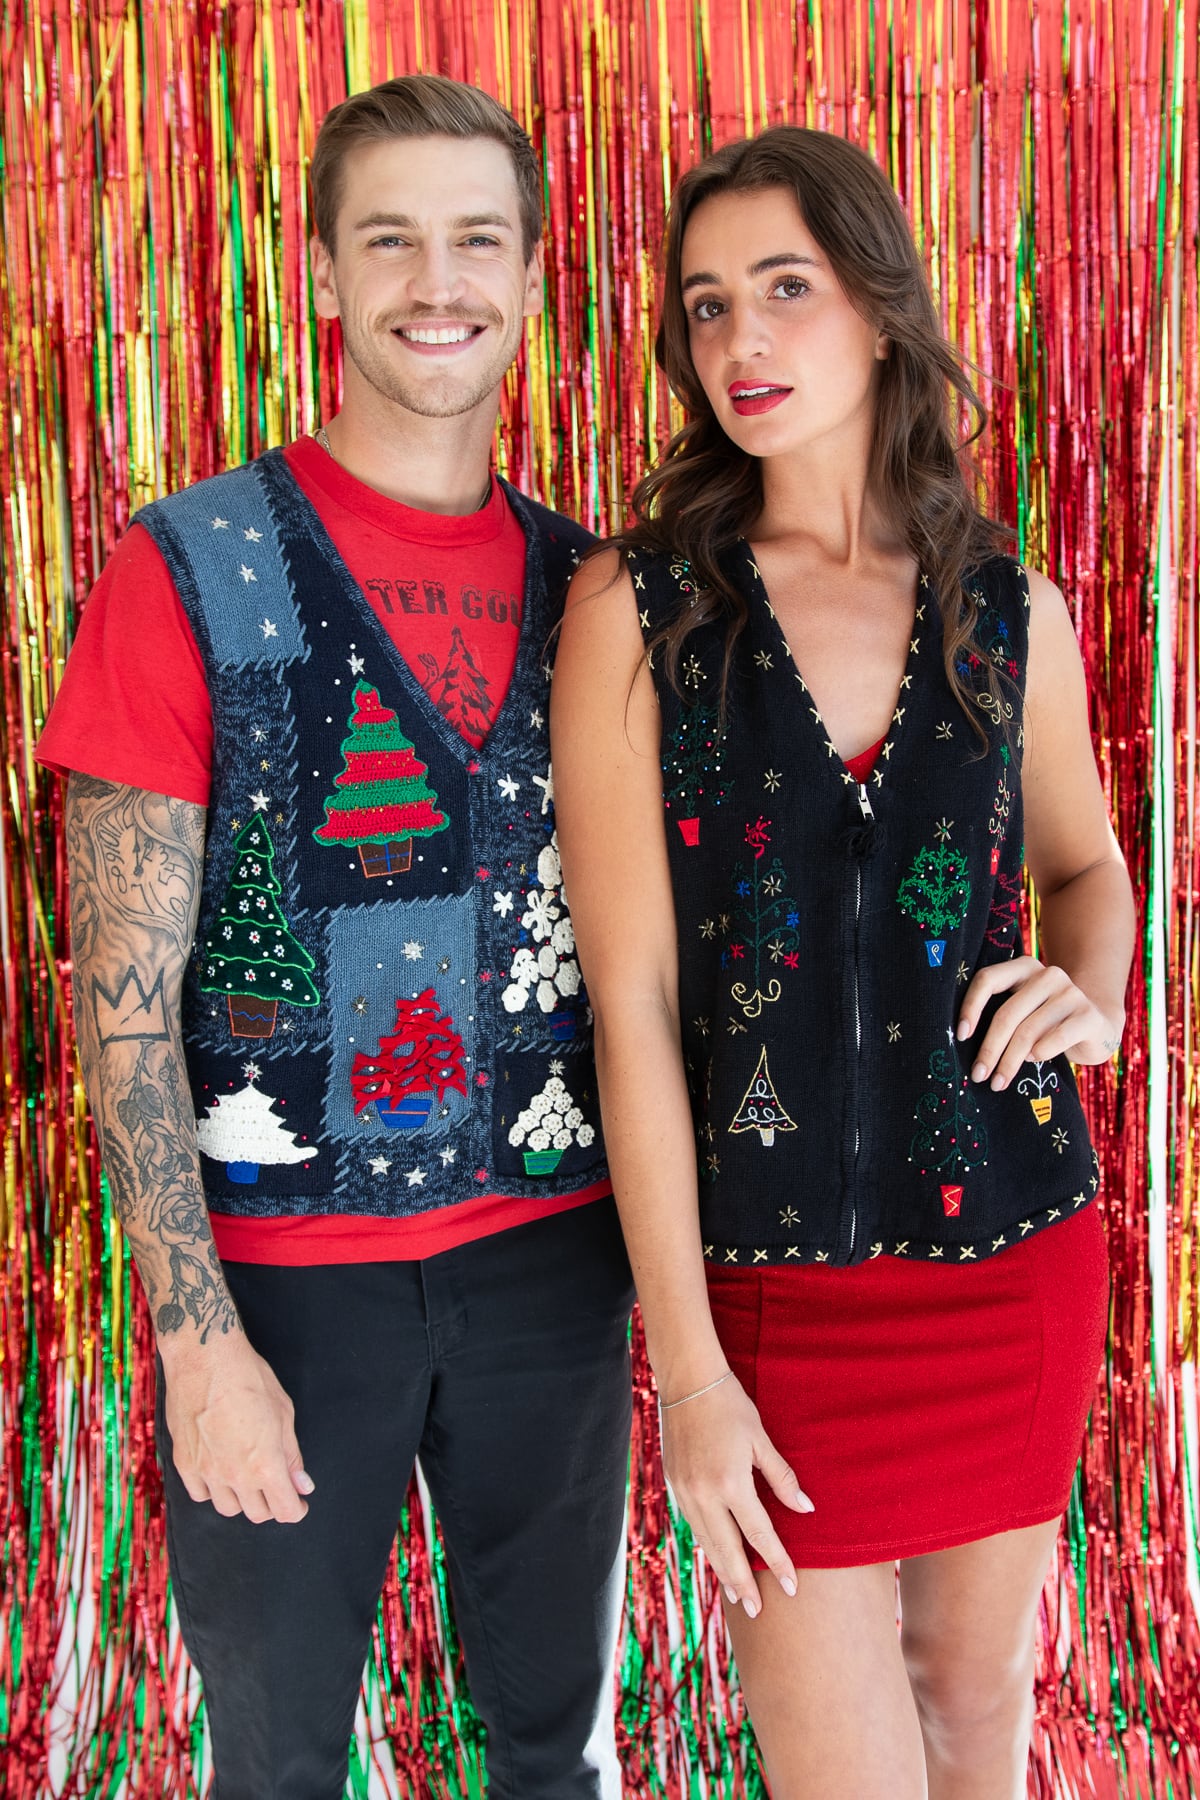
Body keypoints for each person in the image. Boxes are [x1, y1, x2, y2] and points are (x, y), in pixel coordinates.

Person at [38, 74, 633, 1800]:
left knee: (553, 1751)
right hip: (284, 1302)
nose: (433, 283)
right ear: (317, 270)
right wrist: (193, 1336)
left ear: (530, 280)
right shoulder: (191, 569)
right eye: (390, 239)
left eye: (475, 241)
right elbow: (123, 994)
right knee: (282, 1762)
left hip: (551, 1275)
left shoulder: (597, 586)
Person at [552, 126, 1133, 1800]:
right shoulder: (643, 611)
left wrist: (1088, 990)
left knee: (976, 1716)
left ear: (878, 313)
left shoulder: (1005, 606)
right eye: (707, 304)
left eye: (785, 291)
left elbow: (1088, 865)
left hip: (1017, 1254)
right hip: (775, 1307)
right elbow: (637, 1011)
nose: (740, 340)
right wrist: (692, 1375)